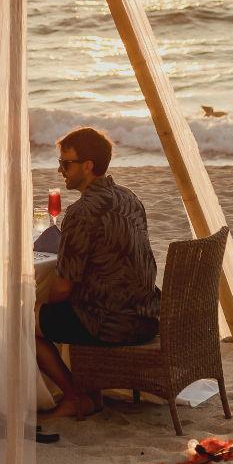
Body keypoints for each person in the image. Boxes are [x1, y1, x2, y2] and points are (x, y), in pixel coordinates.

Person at [37, 127, 161, 418]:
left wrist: (40, 302)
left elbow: (64, 287)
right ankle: (90, 389)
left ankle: (75, 395)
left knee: (23, 323)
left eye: (66, 163)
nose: (60, 170)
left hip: (112, 325)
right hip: (147, 315)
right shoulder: (129, 197)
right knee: (65, 310)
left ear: (88, 165)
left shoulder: (81, 212)